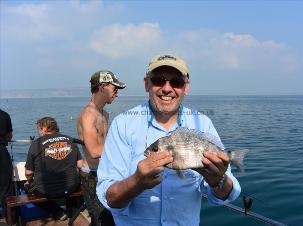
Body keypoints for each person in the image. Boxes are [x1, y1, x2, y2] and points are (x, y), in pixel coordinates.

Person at [96, 53, 241, 225]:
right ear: (146, 83)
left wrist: (217, 180)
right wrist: (137, 182)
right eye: (158, 80)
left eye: (176, 82)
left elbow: (226, 194)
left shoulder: (202, 123)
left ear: (186, 87)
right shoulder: (123, 124)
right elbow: (109, 198)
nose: (167, 88)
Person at [76, 70, 126, 225]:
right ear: (103, 86)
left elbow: (106, 144)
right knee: (101, 220)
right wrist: (125, 148)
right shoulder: (88, 115)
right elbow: (93, 150)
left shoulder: (104, 114)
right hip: (92, 176)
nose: (116, 94)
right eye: (114, 89)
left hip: (106, 173)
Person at [25, 117, 83, 220]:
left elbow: (29, 172)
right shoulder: (70, 139)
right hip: (71, 187)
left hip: (46, 190)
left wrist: (28, 182)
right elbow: (80, 165)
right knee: (73, 182)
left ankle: (57, 212)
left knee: (29, 190)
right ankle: (73, 212)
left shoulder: (36, 144)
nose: (38, 132)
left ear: (44, 128)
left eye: (39, 129)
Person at [0, 109, 13, 216]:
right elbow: (9, 137)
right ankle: (9, 218)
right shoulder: (4, 115)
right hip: (1, 152)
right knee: (5, 188)